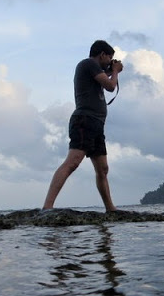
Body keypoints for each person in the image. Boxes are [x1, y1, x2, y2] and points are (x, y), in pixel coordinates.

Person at [43, 40, 123, 212]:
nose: (110, 61)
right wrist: (115, 71)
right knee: (72, 162)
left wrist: (112, 70)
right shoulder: (88, 64)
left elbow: (106, 76)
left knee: (103, 169)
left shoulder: (94, 69)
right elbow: (110, 86)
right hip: (84, 120)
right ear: (102, 54)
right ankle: (47, 207)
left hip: (96, 124)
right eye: (109, 57)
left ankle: (110, 208)